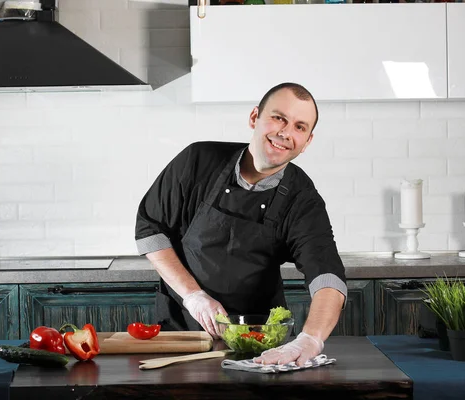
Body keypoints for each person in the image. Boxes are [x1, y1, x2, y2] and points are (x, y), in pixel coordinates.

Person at [135, 82, 346, 366]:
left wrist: (311, 338)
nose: (285, 133)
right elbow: (150, 229)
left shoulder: (302, 199)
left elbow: (328, 276)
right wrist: (194, 296)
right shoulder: (198, 161)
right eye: (278, 118)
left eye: (299, 127)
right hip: (181, 335)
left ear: (307, 141)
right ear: (254, 118)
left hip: (258, 347)